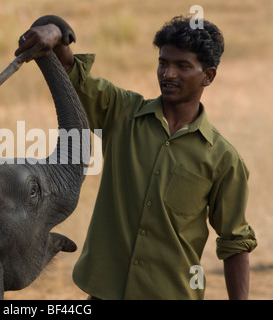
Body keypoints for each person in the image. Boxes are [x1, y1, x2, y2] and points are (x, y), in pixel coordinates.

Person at [15, 15, 257, 300]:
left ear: (208, 75)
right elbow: (72, 73)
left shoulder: (223, 159)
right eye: (163, 62)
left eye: (182, 66)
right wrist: (54, 29)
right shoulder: (123, 112)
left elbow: (235, 243)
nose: (168, 74)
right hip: (104, 293)